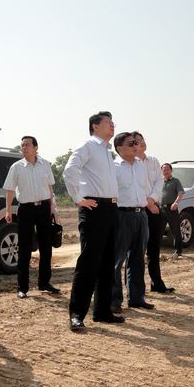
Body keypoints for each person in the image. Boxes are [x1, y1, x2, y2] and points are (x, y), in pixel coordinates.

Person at [63, 111, 124, 332]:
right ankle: (77, 314)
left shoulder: (107, 151)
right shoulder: (88, 146)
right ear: (95, 126)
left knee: (107, 263)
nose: (112, 125)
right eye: (108, 122)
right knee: (89, 263)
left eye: (113, 122)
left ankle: (102, 311)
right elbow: (69, 170)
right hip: (94, 208)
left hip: (110, 209)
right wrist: (78, 198)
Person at [3, 135, 60, 299]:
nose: (24, 147)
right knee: (24, 249)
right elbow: (10, 190)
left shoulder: (45, 165)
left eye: (27, 145)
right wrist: (8, 210)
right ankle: (22, 287)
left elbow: (49, 188)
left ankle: (44, 283)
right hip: (26, 210)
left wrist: (53, 208)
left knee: (46, 247)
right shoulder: (16, 167)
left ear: (36, 147)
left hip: (44, 208)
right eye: (22, 145)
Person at [110, 132, 154, 313]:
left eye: (136, 142)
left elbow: (146, 189)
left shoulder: (140, 166)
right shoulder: (113, 167)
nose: (135, 146)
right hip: (122, 215)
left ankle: (137, 298)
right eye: (130, 143)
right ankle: (114, 300)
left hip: (141, 215)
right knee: (116, 260)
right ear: (119, 148)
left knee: (137, 259)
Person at [132, 132, 174, 293]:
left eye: (142, 140)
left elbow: (159, 182)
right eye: (137, 141)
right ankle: (136, 289)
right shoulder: (131, 163)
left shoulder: (154, 161)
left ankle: (157, 283)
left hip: (155, 208)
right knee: (136, 251)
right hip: (139, 210)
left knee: (154, 248)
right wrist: (148, 204)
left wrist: (152, 201)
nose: (142, 143)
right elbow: (135, 186)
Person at [160, 163, 185, 259]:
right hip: (161, 209)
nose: (165, 171)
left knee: (176, 230)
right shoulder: (159, 181)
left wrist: (176, 203)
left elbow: (180, 193)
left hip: (172, 208)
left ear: (171, 170)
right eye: (164, 169)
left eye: (167, 169)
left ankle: (178, 252)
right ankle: (157, 252)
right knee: (159, 231)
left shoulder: (176, 181)